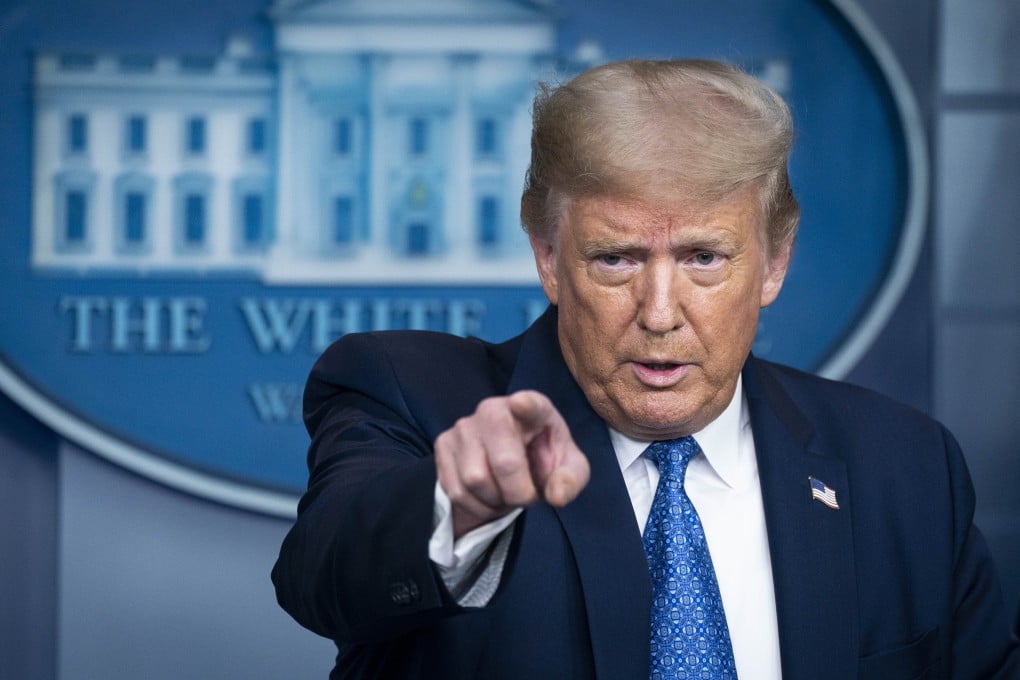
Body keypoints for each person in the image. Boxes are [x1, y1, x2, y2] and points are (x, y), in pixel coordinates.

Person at [272, 59, 1020, 679]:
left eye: (703, 258)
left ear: (774, 263)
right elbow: (325, 580)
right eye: (616, 259)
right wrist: (459, 505)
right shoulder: (409, 395)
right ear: (548, 258)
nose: (659, 313)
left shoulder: (906, 464)